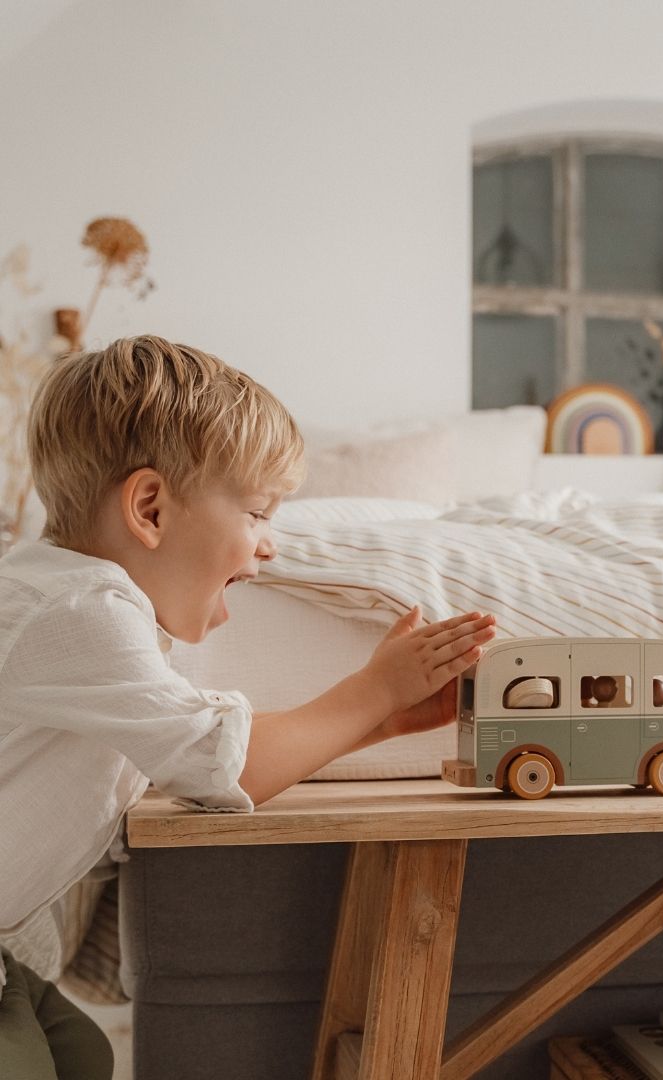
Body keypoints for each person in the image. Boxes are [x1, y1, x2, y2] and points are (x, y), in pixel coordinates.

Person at [0, 335, 496, 1078]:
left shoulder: (66, 600)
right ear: (151, 509)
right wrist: (374, 690)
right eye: (260, 512)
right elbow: (215, 765)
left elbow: (189, 756)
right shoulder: (84, 610)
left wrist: (383, 724)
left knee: (82, 1054)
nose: (270, 546)